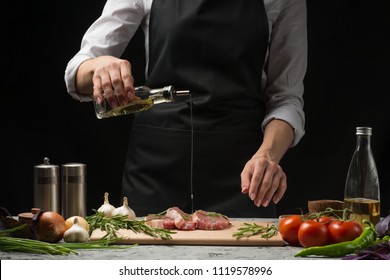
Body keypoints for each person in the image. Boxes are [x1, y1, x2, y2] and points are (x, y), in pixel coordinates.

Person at [65, 0, 307, 218]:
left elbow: (286, 98)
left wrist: (268, 155)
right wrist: (99, 64)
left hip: (244, 176)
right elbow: (78, 73)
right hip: (155, 168)